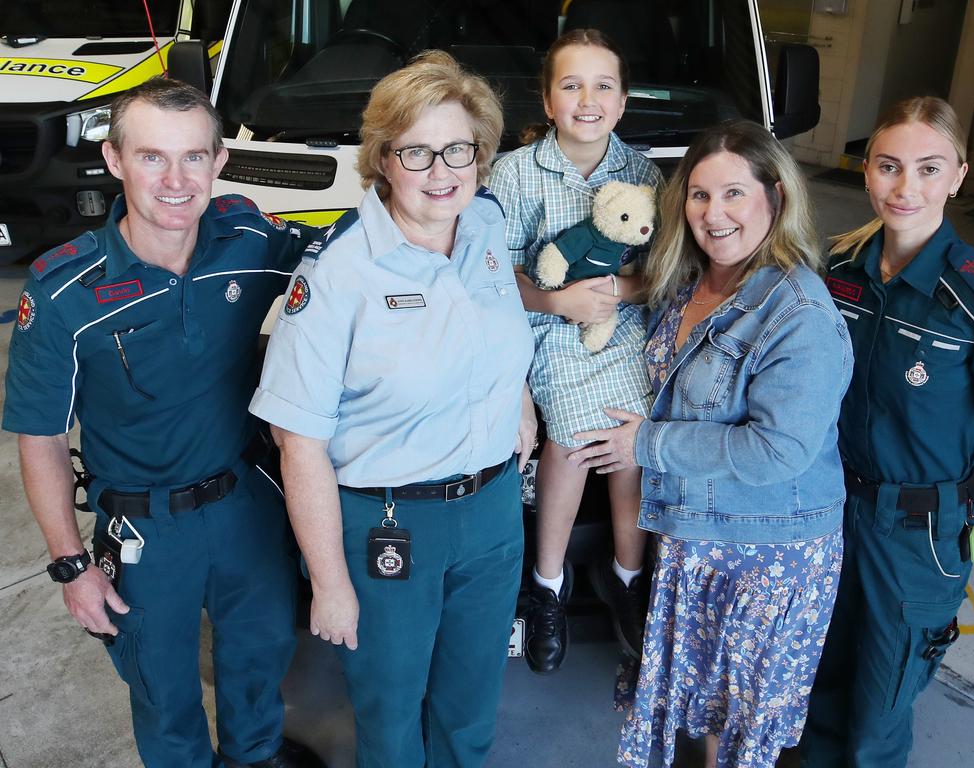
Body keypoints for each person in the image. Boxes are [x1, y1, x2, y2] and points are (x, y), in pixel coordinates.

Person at [2, 78, 324, 768]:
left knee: (261, 654)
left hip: (247, 504)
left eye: (193, 158)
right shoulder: (64, 294)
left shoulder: (248, 236)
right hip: (144, 531)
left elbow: (350, 252)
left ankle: (255, 755)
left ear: (219, 162)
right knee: (161, 686)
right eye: (152, 157)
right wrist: (71, 566)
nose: (176, 181)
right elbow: (41, 437)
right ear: (115, 160)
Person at [249, 51, 536, 768]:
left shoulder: (488, 228)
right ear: (382, 159)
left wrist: (519, 400)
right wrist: (331, 582)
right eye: (417, 151)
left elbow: (495, 328)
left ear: (482, 153)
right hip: (390, 528)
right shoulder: (338, 271)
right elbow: (298, 441)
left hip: (494, 513)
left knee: (471, 705)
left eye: (458, 149)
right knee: (389, 710)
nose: (442, 171)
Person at [568, 120, 852, 767]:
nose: (713, 213)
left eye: (733, 194)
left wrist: (649, 445)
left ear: (775, 198)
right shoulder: (698, 277)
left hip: (769, 555)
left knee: (740, 726)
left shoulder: (799, 314)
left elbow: (775, 452)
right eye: (698, 195)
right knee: (706, 711)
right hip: (698, 537)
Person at [801, 97, 974, 768]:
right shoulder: (838, 271)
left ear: (958, 175)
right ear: (865, 169)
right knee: (815, 676)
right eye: (890, 167)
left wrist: (936, 496)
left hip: (917, 535)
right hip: (830, 511)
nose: (906, 189)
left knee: (881, 703)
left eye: (929, 169)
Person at [490, 28, 663, 674]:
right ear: (547, 99)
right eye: (571, 85)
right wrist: (558, 303)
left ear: (621, 103)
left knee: (631, 427)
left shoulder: (644, 173)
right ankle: (549, 584)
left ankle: (627, 573)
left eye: (603, 86)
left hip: (621, 324)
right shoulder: (515, 173)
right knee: (570, 428)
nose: (587, 99)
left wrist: (620, 290)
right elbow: (495, 274)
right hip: (543, 326)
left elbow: (663, 271)